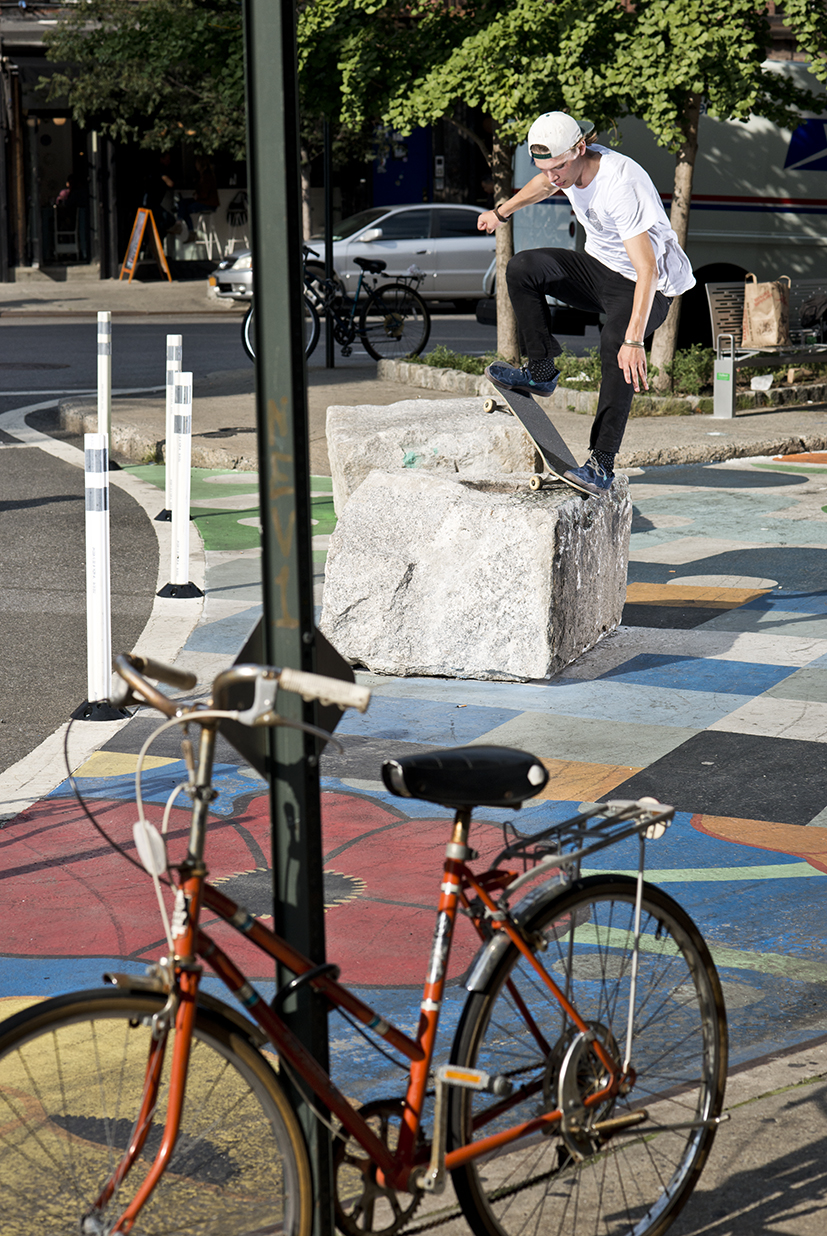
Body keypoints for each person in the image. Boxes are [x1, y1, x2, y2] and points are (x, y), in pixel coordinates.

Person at [478, 111, 695, 495]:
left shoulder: (620, 184)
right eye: (545, 167)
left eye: (559, 167)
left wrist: (633, 340)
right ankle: (541, 371)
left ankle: (601, 463)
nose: (554, 176)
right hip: (602, 272)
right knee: (523, 267)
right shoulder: (561, 170)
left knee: (616, 345)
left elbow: (646, 269)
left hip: (651, 287)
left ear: (581, 149)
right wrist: (501, 212)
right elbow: (544, 186)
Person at [174, 156, 220, 239]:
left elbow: (204, 194)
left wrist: (197, 195)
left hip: (208, 203)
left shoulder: (206, 176)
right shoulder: (203, 176)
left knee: (184, 209)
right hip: (204, 201)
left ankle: (185, 228)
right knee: (182, 204)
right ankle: (183, 226)